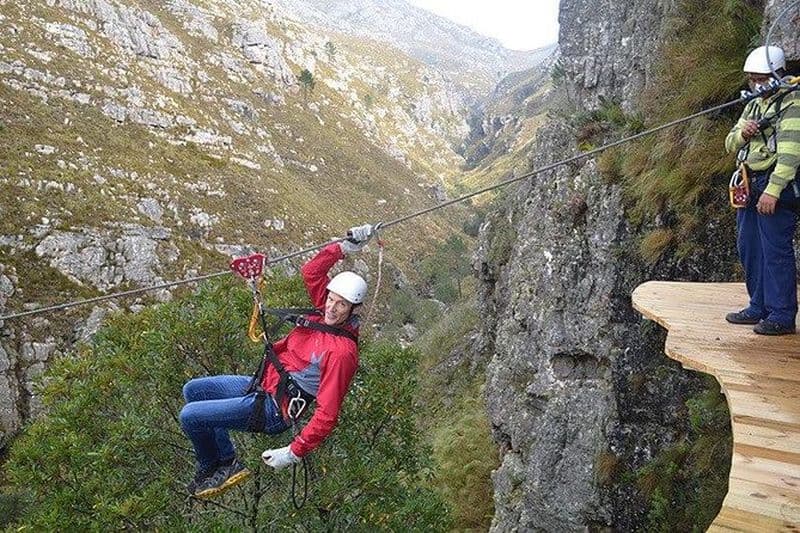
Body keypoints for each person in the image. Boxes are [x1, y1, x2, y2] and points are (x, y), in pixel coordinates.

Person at [179, 224, 374, 498]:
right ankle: (225, 460)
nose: (332, 307)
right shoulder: (323, 314)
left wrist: (294, 452)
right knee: (193, 390)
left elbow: (328, 414)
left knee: (190, 417)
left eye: (341, 304)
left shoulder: (341, 353)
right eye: (331, 299)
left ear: (353, 309)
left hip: (274, 409)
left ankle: (214, 466)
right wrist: (344, 248)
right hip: (262, 385)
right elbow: (312, 272)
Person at [724, 45, 799, 335]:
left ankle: (781, 314)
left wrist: (773, 190)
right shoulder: (754, 104)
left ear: (777, 74)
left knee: (775, 249)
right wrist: (744, 133)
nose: (756, 83)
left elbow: (792, 153)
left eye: (761, 77)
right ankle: (758, 305)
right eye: (752, 78)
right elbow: (730, 142)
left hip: (774, 186)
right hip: (749, 181)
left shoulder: (792, 102)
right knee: (750, 247)